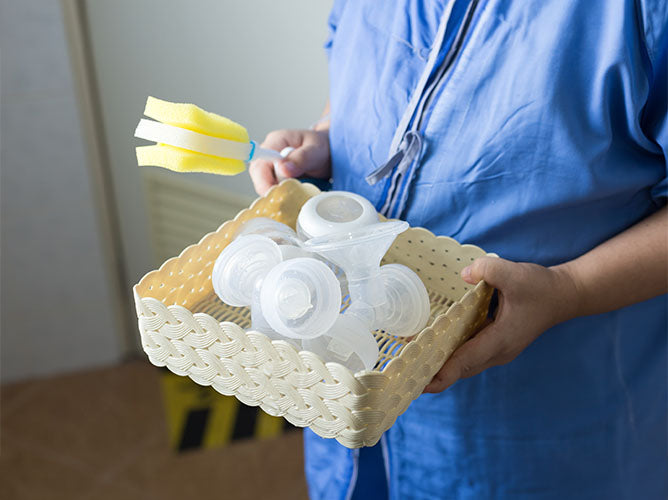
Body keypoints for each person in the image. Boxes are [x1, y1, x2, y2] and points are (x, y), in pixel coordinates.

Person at [249, 1, 667, 499]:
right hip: (349, 392)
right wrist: (325, 138)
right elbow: (369, 75)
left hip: (532, 429)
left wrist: (569, 289)